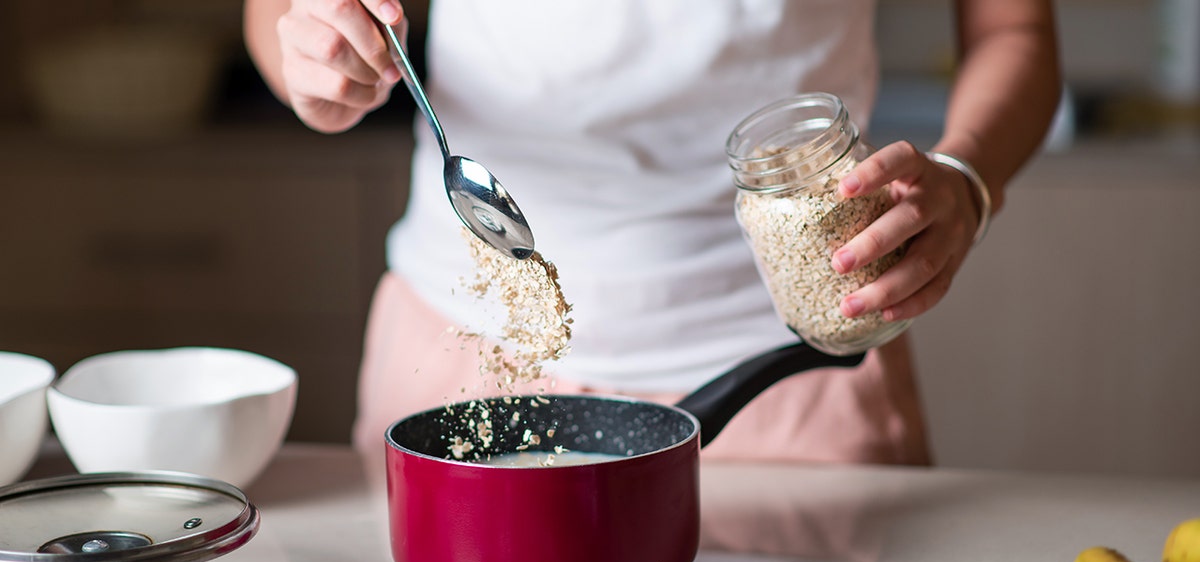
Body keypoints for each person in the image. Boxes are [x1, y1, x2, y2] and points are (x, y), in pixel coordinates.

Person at [243, 0, 1060, 464]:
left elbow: (1013, 31)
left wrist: (968, 177)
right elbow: (281, 14)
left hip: (790, 376)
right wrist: (311, 53)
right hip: (466, 358)